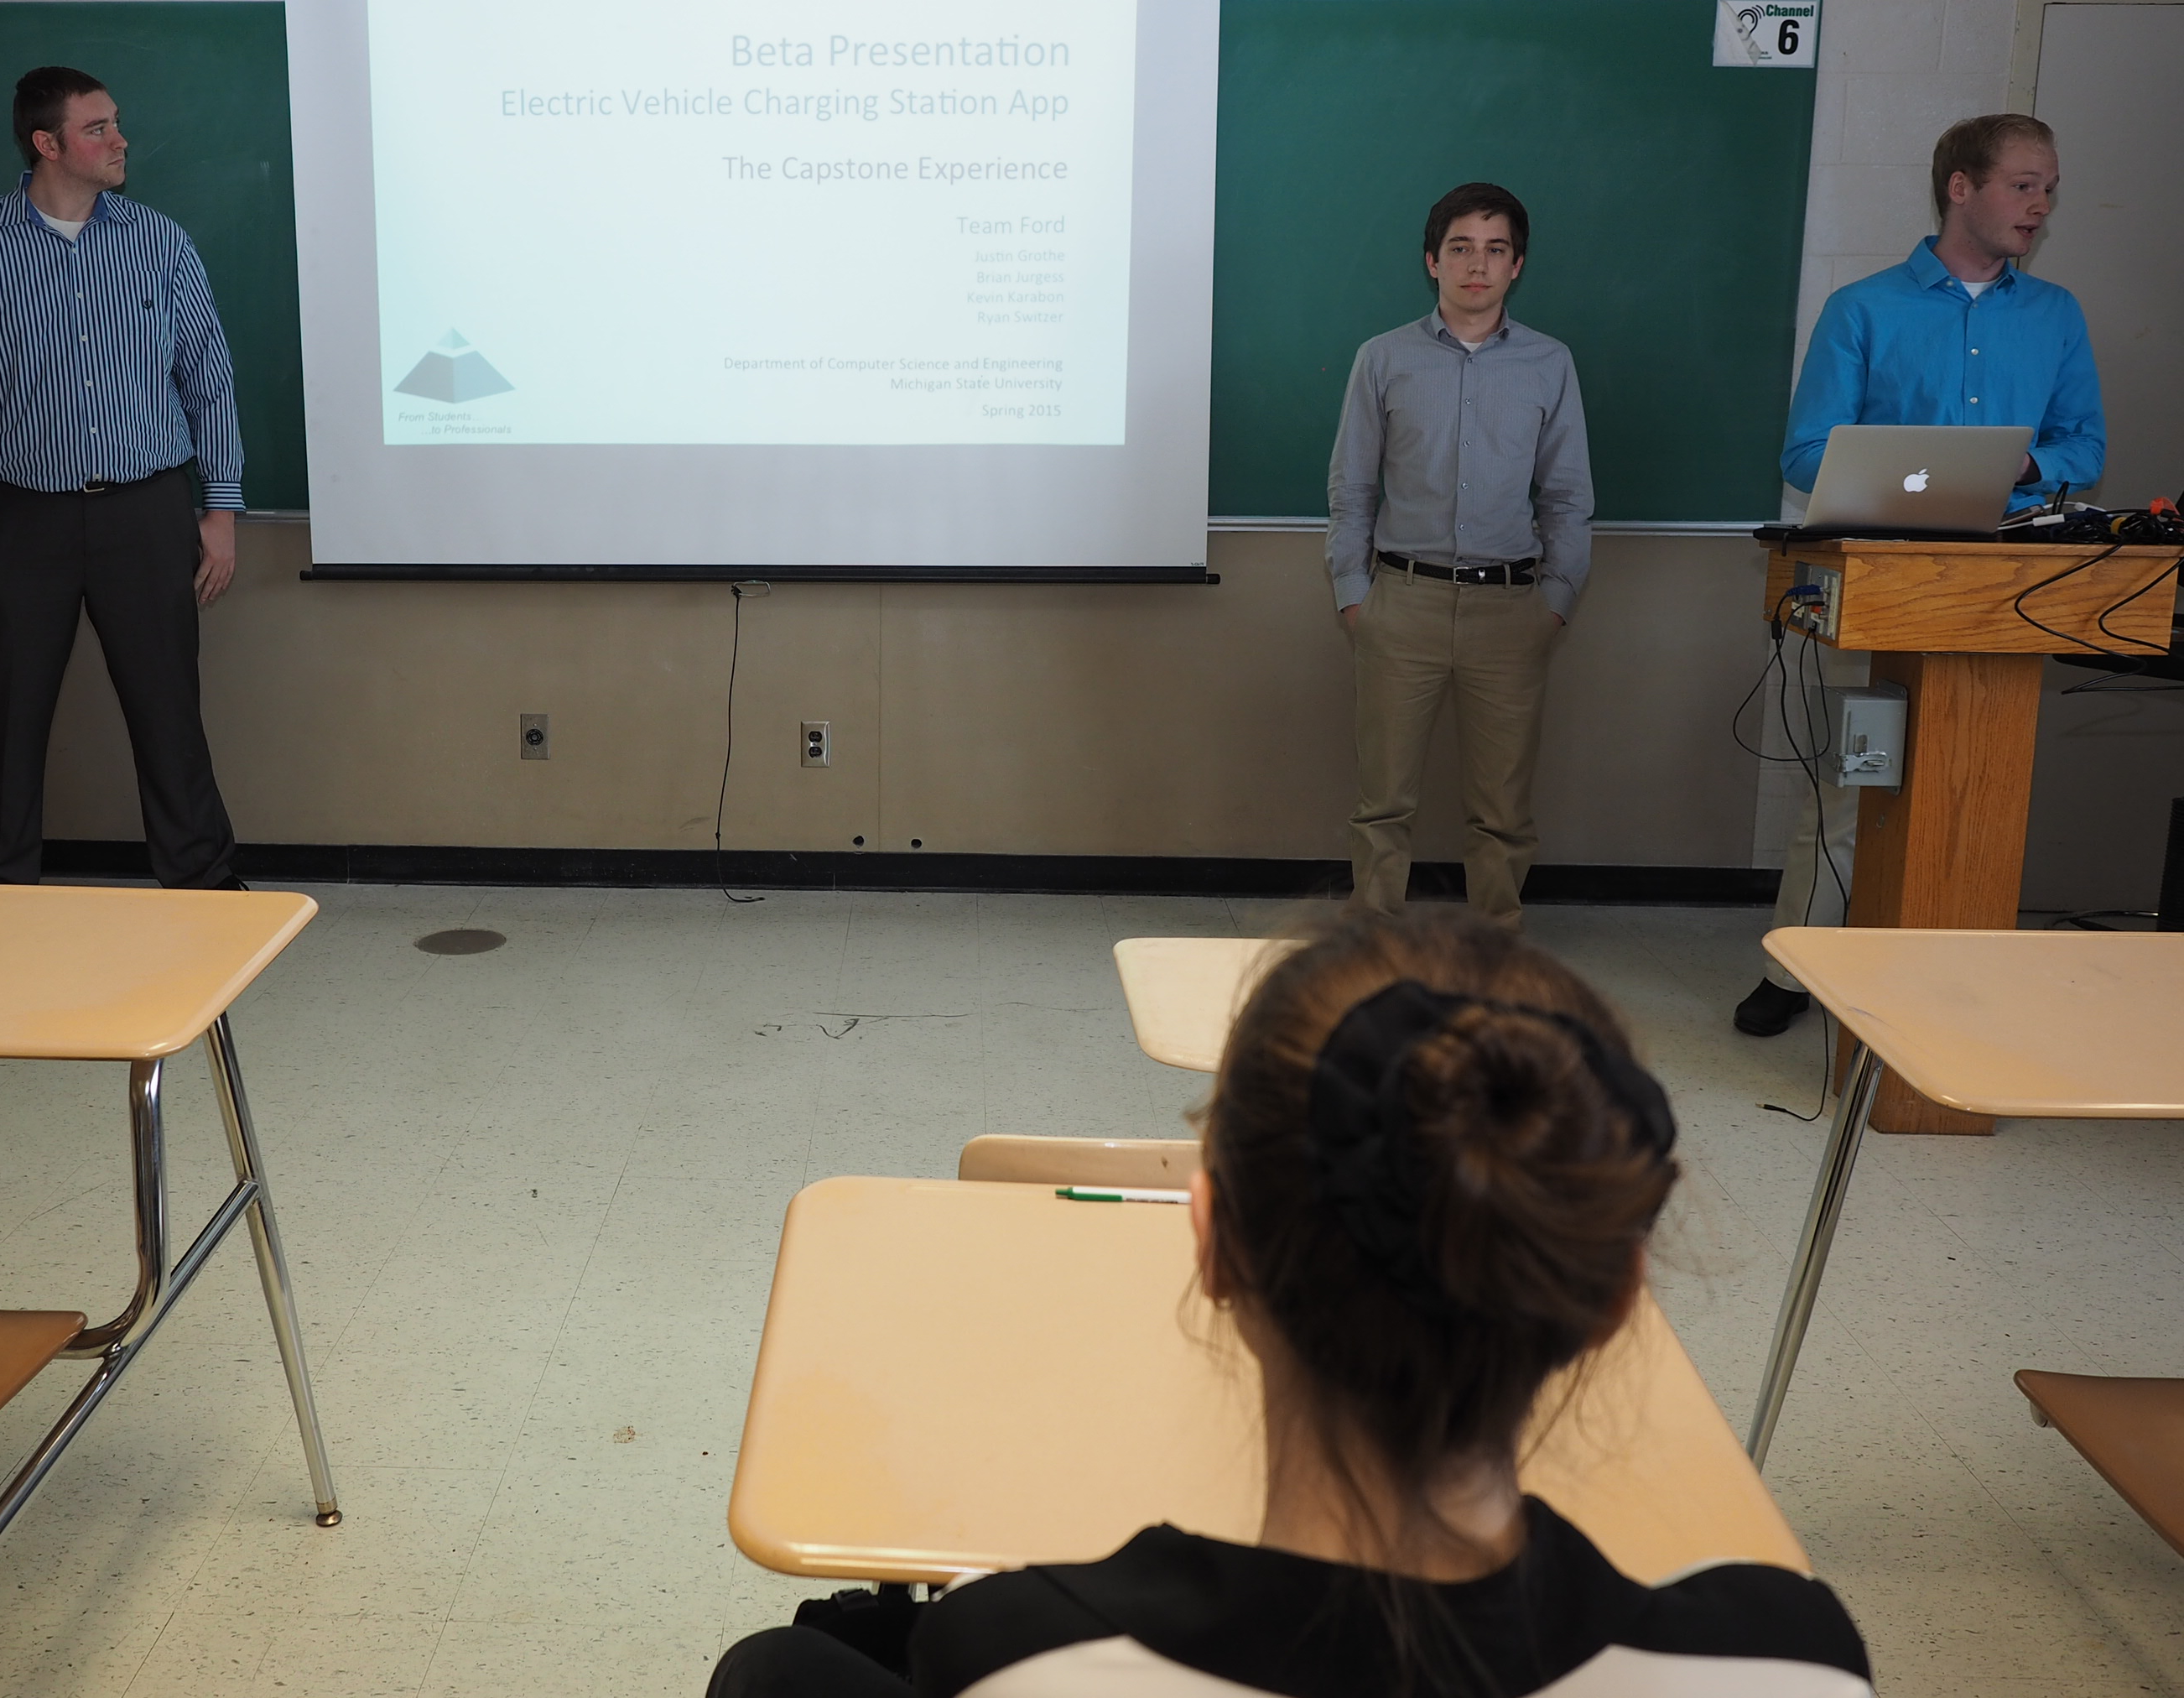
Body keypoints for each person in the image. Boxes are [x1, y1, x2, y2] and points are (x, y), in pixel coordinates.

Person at [709, 909, 1873, 1696]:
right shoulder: (1795, 1660)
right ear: (1617, 1295)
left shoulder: (1015, 1652)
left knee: (777, 1670)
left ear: (1212, 1245)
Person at [1734, 112, 2103, 1038]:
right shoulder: (1863, 309)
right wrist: (1907, 468)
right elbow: (1805, 452)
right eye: (2023, 185)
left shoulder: (2055, 314)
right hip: (1883, 587)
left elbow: (2084, 446)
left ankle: (1947, 978)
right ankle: (1794, 967)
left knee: (1977, 789)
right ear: (1959, 188)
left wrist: (2021, 466)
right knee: (1850, 783)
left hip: (2000, 598)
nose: (2040, 205)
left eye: (2049, 189)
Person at [0, 67, 248, 892]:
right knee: (6, 717)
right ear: (46, 143)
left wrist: (220, 510)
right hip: (19, 516)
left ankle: (205, 885)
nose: (120, 141)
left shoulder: (159, 241)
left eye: (115, 123)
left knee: (168, 711)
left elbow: (209, 380)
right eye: (97, 128)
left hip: (147, 509)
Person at [1327, 184, 1591, 929]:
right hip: (1401, 603)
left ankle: (1494, 946)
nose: (1478, 265)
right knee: (1383, 802)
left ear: (1517, 266)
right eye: (1462, 248)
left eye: (1495, 250)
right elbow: (1352, 488)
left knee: (1503, 808)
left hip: (1511, 609)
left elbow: (1568, 496)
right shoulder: (1383, 358)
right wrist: (1354, 595)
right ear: (1432, 261)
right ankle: (1374, 942)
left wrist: (1555, 602)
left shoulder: (1549, 363)